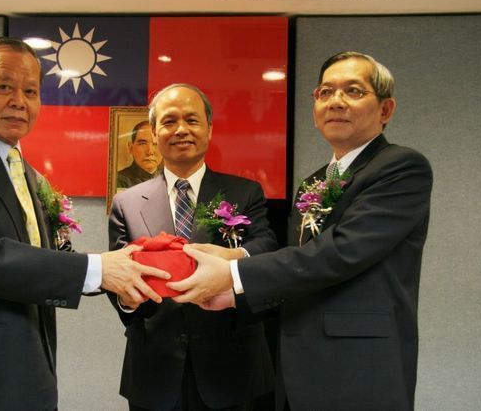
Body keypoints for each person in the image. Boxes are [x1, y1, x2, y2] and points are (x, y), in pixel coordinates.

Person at [0, 37, 169, 411]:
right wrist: (99, 270)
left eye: (30, 91)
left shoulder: (31, 177)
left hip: (31, 375)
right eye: (4, 87)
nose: (19, 101)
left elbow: (51, 263)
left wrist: (131, 269)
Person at [170, 52, 433, 410]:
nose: (335, 101)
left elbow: (340, 252)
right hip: (298, 366)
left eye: (353, 91)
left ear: (385, 110)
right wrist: (235, 288)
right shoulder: (315, 181)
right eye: (325, 92)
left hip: (360, 366)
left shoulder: (401, 168)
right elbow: (301, 269)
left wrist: (234, 274)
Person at [108, 83, 278, 411]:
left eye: (192, 120)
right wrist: (126, 301)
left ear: (209, 129)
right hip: (154, 371)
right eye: (169, 121)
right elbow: (119, 280)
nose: (181, 129)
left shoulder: (245, 192)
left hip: (234, 367)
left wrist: (233, 257)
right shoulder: (126, 202)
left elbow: (266, 246)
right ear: (155, 132)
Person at [117, 120, 162, 189]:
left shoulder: (171, 180)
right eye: (142, 143)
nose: (150, 152)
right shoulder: (119, 180)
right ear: (131, 148)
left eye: (156, 144)